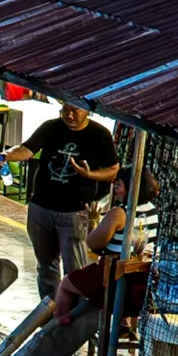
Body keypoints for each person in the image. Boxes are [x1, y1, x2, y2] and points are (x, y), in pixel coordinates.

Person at [19, 95, 121, 301]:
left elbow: (112, 170)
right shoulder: (50, 128)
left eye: (75, 110)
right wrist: (5, 156)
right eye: (65, 109)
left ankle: (73, 310)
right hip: (41, 206)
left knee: (74, 267)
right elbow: (26, 149)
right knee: (46, 264)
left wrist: (89, 175)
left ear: (88, 111)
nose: (69, 115)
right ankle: (48, 308)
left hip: (74, 212)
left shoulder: (100, 135)